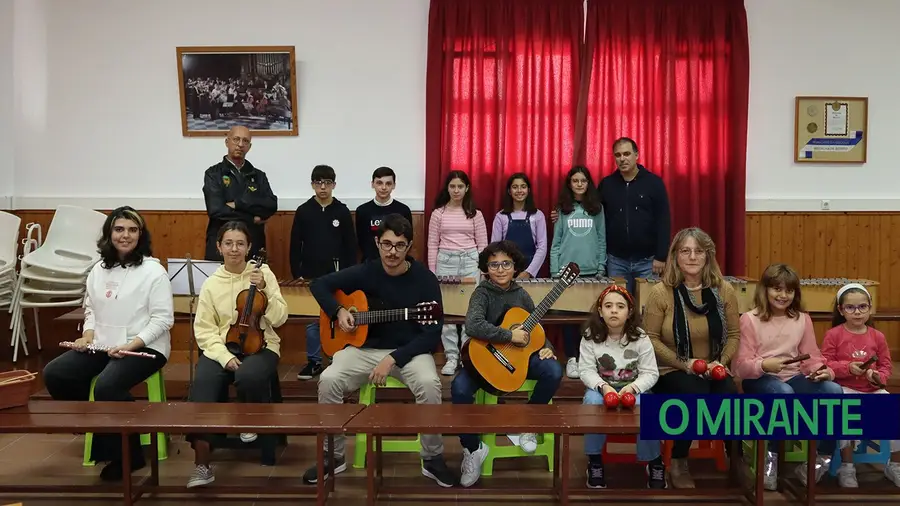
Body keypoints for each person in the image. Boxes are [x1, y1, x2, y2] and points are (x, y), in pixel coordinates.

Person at [306, 213, 456, 487]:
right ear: (377, 243)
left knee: (430, 384)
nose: (392, 251)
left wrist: (393, 358)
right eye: (386, 244)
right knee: (328, 380)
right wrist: (338, 311)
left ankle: (432, 458)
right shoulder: (366, 270)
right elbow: (319, 285)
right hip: (363, 348)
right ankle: (333, 456)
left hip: (408, 351)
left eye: (399, 245)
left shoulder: (424, 279)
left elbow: (432, 332)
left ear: (409, 247)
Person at [43, 207, 173, 481]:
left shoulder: (154, 271)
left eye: (132, 230)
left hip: (145, 348)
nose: (125, 235)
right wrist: (88, 335)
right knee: (56, 374)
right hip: (102, 344)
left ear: (141, 234)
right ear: (109, 233)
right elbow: (90, 309)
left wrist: (132, 344)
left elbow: (162, 320)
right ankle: (101, 429)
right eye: (119, 229)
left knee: (107, 385)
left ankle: (128, 454)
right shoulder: (97, 270)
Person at [450, 241, 562, 487]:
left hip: (514, 361)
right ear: (486, 269)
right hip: (482, 362)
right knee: (458, 389)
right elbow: (473, 325)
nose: (500, 269)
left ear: (515, 267)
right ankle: (472, 449)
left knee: (553, 370)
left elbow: (536, 328)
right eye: (494, 264)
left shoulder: (521, 295)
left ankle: (527, 424)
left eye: (506, 264)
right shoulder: (482, 293)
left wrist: (547, 350)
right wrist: (509, 335)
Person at [186, 221, 288, 489]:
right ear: (219, 247)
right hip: (223, 346)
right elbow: (205, 331)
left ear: (249, 247)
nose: (234, 249)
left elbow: (279, 318)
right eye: (228, 243)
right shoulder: (211, 284)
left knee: (249, 375)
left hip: (262, 344)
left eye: (240, 243)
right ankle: (202, 463)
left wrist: (264, 288)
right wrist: (224, 357)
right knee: (203, 386)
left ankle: (249, 420)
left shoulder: (262, 272)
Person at [641, 227, 740, 489]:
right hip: (671, 370)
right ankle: (680, 460)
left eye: (699, 251)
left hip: (714, 367)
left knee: (730, 394)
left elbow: (733, 334)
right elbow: (650, 338)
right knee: (693, 392)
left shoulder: (724, 290)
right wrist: (684, 364)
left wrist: (721, 362)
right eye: (685, 251)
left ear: (708, 256)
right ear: (675, 255)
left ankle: (737, 460)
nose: (692, 256)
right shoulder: (661, 292)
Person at [732, 263, 842, 491]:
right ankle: (770, 458)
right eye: (777, 289)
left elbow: (811, 356)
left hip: (793, 377)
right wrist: (764, 365)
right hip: (759, 379)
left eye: (789, 291)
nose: (783, 295)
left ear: (795, 293)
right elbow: (740, 367)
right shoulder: (750, 319)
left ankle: (821, 459)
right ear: (765, 290)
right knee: (783, 394)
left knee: (833, 392)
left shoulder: (802, 319)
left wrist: (819, 370)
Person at [579, 285, 666, 490]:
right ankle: (594, 460)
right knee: (591, 402)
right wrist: (603, 387)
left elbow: (651, 373)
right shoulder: (590, 336)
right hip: (602, 390)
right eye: (608, 306)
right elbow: (586, 370)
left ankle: (653, 461)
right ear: (600, 311)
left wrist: (633, 388)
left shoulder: (641, 338)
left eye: (620, 306)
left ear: (629, 312)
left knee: (648, 407)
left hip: (633, 390)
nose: (614, 310)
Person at [821, 283, 900, 489]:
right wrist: (847, 368)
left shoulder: (877, 336)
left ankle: (895, 465)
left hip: (872, 389)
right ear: (841, 310)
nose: (857, 312)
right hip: (843, 389)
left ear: (870, 308)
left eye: (862, 307)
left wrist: (877, 377)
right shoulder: (834, 335)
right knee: (846, 412)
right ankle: (847, 466)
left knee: (894, 409)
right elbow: (826, 363)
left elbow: (886, 367)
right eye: (850, 308)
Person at [290, 164, 357, 380]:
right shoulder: (304, 211)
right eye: (318, 183)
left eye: (327, 183)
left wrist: (348, 274)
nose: (323, 187)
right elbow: (294, 244)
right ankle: (314, 361)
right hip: (310, 274)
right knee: (312, 320)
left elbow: (350, 245)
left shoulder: (341, 211)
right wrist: (296, 272)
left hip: (337, 275)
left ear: (334, 185)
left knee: (337, 315)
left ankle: (338, 359)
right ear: (312, 185)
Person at [427, 170, 488, 376]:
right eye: (452, 186)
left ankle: (467, 354)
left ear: (467, 188)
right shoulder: (438, 214)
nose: (456, 190)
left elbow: (483, 246)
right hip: (446, 262)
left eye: (460, 186)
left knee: (471, 310)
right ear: (447, 188)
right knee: (448, 311)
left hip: (471, 262)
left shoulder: (475, 214)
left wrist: (482, 270)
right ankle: (451, 357)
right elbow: (432, 244)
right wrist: (432, 273)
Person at [550, 166, 606, 379]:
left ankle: (588, 360)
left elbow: (602, 238)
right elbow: (556, 243)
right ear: (570, 184)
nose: (579, 184)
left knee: (591, 320)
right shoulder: (562, 209)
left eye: (583, 180)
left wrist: (602, 266)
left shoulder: (597, 208)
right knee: (567, 319)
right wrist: (555, 270)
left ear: (588, 183)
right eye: (575, 181)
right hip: (566, 272)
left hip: (592, 271)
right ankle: (572, 359)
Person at [599, 137, 671, 295]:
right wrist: (561, 211)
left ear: (636, 155)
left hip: (649, 262)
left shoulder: (654, 183)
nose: (622, 159)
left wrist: (661, 256)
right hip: (616, 261)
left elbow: (663, 221)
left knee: (648, 309)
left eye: (626, 153)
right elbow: (592, 213)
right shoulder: (607, 184)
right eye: (618, 155)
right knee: (618, 309)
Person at [202, 125, 278, 260]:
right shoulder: (213, 174)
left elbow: (271, 205)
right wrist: (252, 218)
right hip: (221, 246)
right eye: (236, 139)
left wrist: (237, 204)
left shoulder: (258, 175)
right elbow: (216, 210)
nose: (240, 144)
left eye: (245, 141)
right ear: (227, 142)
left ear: (249, 146)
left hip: (253, 244)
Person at [490, 173, 547, 278]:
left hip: (532, 269)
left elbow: (542, 248)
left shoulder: (538, 215)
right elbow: (495, 248)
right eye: (515, 187)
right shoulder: (501, 217)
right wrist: (504, 270)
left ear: (528, 190)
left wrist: (529, 272)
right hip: (506, 270)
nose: (519, 191)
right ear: (509, 191)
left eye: (523, 187)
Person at [355, 166, 413, 262]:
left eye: (388, 183)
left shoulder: (403, 210)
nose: (383, 187)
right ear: (372, 184)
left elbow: (407, 240)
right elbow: (362, 241)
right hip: (370, 262)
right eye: (379, 183)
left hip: (396, 261)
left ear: (394, 185)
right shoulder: (362, 211)